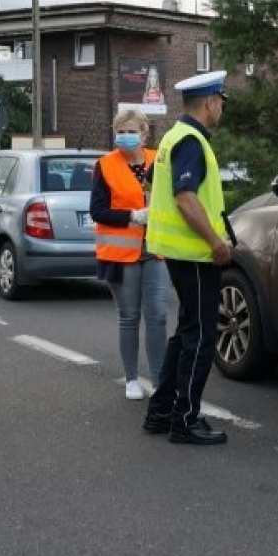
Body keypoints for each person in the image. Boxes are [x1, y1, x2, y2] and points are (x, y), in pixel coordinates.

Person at [143, 70, 235, 446]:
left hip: (178, 251)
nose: (221, 110)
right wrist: (215, 242)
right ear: (211, 102)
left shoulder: (172, 137)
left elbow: (151, 179)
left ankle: (161, 411)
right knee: (200, 337)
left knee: (185, 334)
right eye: (221, 103)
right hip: (196, 254)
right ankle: (185, 420)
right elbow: (184, 197)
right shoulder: (193, 141)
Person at [90, 108, 170, 400]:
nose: (125, 137)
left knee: (159, 315)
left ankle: (161, 380)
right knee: (129, 317)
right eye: (120, 131)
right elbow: (97, 210)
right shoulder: (106, 165)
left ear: (145, 134)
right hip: (122, 253)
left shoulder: (158, 159)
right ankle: (132, 379)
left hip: (156, 249)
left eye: (131, 131)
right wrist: (133, 216)